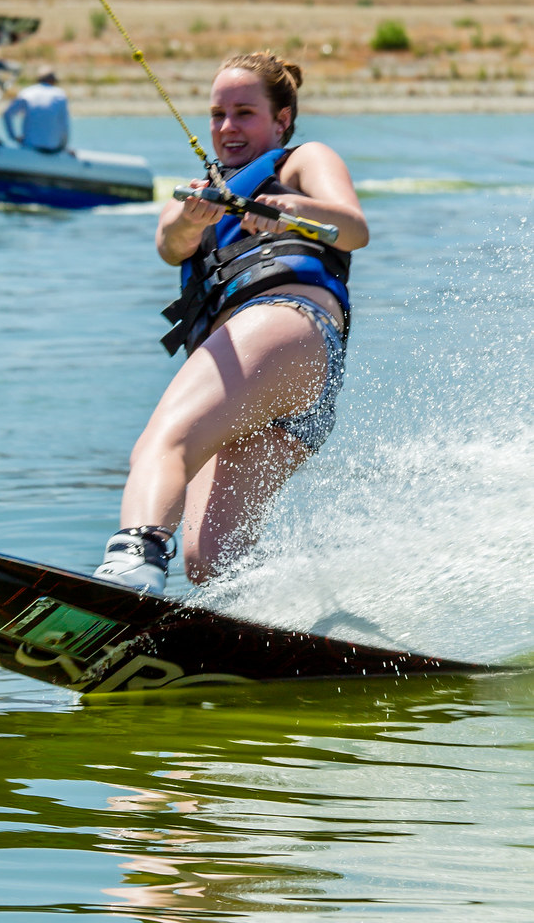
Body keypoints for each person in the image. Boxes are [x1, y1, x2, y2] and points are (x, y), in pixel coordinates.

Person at [94, 50, 369, 594]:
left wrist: (288, 213)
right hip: (295, 383)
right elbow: (170, 247)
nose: (227, 127)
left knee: (164, 441)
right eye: (217, 114)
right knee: (211, 559)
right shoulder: (201, 194)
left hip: (286, 329)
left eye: (244, 112)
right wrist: (189, 217)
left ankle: (130, 565)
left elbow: (354, 228)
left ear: (281, 120)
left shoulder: (303, 160)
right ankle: (271, 616)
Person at [2, 66, 70, 154]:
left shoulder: (27, 92)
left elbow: (7, 114)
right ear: (53, 81)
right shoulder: (60, 95)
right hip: (52, 148)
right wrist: (63, 147)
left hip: (29, 147)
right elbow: (64, 124)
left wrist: (13, 137)